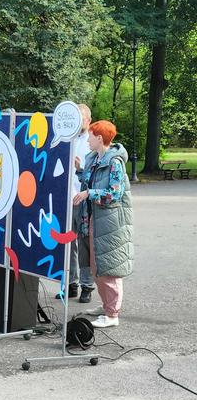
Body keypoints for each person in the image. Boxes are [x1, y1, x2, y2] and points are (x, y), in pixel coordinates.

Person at [73, 120, 133, 328]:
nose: (87, 140)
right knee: (96, 267)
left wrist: (89, 193)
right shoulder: (94, 158)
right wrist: (80, 171)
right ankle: (107, 306)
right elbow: (90, 182)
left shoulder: (114, 162)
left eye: (90, 136)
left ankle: (112, 315)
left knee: (109, 268)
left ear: (99, 138)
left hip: (108, 222)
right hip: (92, 219)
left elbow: (114, 194)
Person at [56, 103, 96, 302]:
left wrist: (82, 168)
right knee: (67, 244)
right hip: (65, 197)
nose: (75, 122)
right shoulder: (65, 138)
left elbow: (96, 173)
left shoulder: (92, 141)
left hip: (82, 200)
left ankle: (87, 286)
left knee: (84, 244)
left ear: (88, 120)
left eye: (79, 118)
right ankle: (70, 284)